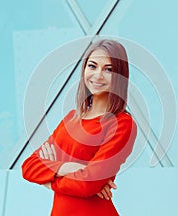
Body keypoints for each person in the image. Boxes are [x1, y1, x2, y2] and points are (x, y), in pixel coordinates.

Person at [22, 39, 137, 216]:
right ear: (84, 70)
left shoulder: (122, 124)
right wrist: (71, 167)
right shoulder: (71, 119)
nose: (98, 75)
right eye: (92, 66)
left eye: (109, 69)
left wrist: (49, 179)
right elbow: (29, 166)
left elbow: (87, 184)